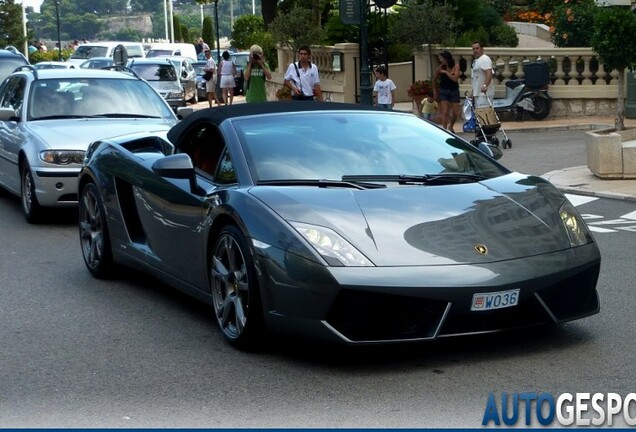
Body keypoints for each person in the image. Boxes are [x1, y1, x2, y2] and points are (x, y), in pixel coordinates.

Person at [433, 50, 461, 131]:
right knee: (445, 112)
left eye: (441, 58)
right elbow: (434, 79)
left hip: (454, 90)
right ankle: (444, 130)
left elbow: (455, 79)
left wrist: (445, 72)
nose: (440, 60)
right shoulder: (440, 68)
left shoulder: (456, 66)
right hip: (444, 90)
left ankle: (451, 126)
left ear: (446, 58)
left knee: (455, 113)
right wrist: (435, 91)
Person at [471, 41, 494, 108]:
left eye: (477, 48)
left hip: (484, 94)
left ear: (482, 49)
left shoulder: (485, 59)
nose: (475, 50)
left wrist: (485, 85)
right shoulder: (476, 61)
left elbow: (489, 73)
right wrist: (473, 92)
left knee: (484, 116)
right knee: (479, 116)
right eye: (473, 49)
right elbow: (475, 79)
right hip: (477, 94)